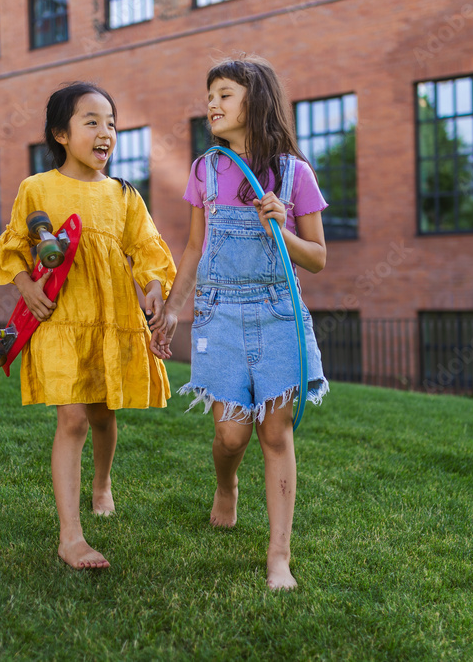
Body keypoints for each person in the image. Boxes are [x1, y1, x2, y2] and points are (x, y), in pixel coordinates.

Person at [150, 56, 329, 590]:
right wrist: (175, 309)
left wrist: (283, 224)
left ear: (257, 100)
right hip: (220, 313)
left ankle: (279, 556)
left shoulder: (295, 174)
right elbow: (194, 246)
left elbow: (317, 257)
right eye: (210, 95)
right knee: (230, 434)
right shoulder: (206, 169)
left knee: (275, 432)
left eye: (225, 94)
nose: (213, 104)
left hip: (278, 313)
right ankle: (226, 484)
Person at [0, 82, 176, 570]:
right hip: (59, 317)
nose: (105, 132)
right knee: (71, 417)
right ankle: (70, 536)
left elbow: (148, 250)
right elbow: (13, 245)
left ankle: (102, 482)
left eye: (112, 123)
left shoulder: (124, 195)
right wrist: (27, 284)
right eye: (91, 121)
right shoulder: (38, 187)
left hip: (110, 317)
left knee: (102, 414)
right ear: (60, 133)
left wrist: (154, 287)